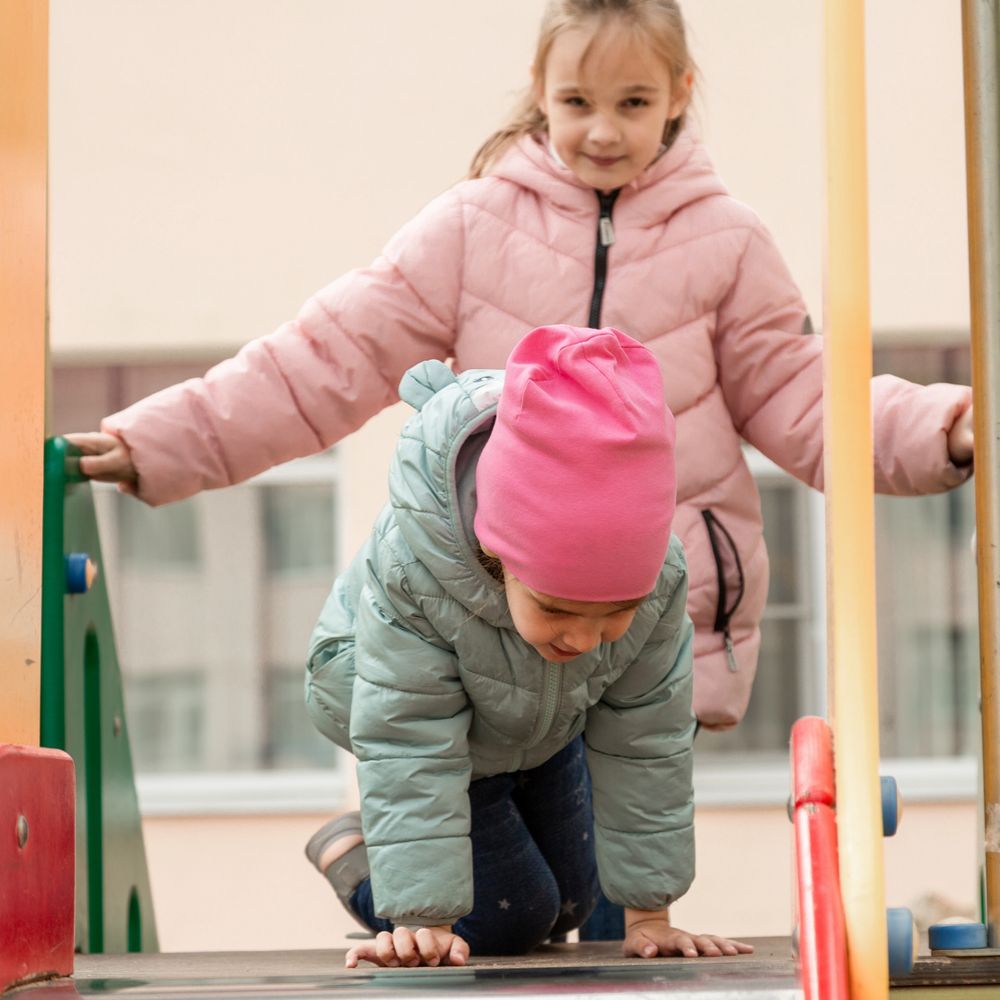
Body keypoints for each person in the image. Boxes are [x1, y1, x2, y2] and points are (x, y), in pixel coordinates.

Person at [66, 0, 974, 938]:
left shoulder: (726, 245)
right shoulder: (471, 230)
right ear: (539, 93)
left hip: (638, 632)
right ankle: (387, 865)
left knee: (621, 912)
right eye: (577, 99)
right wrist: (159, 441)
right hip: (494, 628)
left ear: (679, 98)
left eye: (633, 101)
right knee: (522, 917)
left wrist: (942, 427)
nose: (603, 129)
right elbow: (321, 361)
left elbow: (805, 393)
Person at [303, 322, 751, 966]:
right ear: (499, 552)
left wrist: (651, 915)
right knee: (513, 918)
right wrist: (422, 917)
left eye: (613, 614)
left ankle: (518, 832)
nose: (583, 636)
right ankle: (353, 855)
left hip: (539, 708)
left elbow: (646, 739)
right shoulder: (415, 574)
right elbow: (410, 738)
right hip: (413, 718)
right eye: (556, 607)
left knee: (575, 901)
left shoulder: (659, 583)